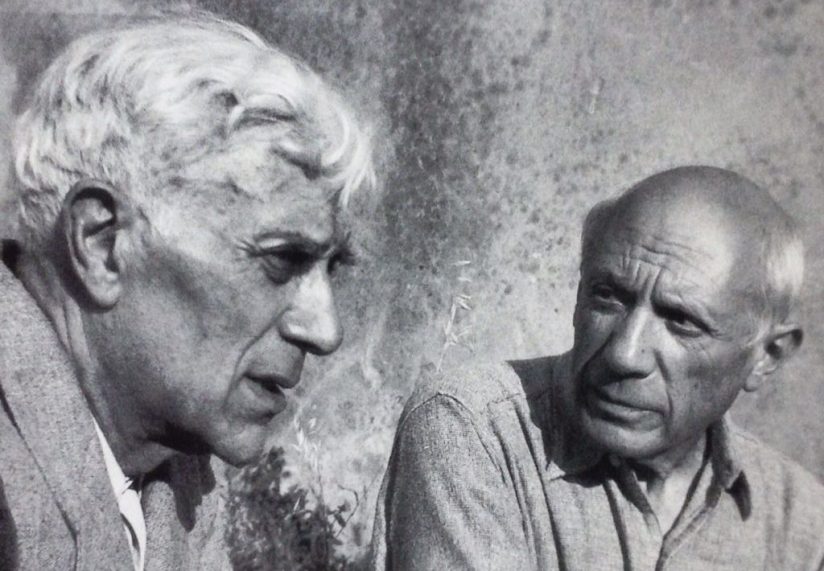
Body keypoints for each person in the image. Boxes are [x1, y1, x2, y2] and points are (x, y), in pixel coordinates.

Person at [0, 13, 374, 570]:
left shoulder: (174, 474)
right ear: (102, 244)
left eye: (331, 267)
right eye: (281, 258)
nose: (326, 331)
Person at [371, 166, 824, 570]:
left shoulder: (802, 522)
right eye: (607, 296)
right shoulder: (474, 429)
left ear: (767, 356)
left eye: (681, 321)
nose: (624, 354)